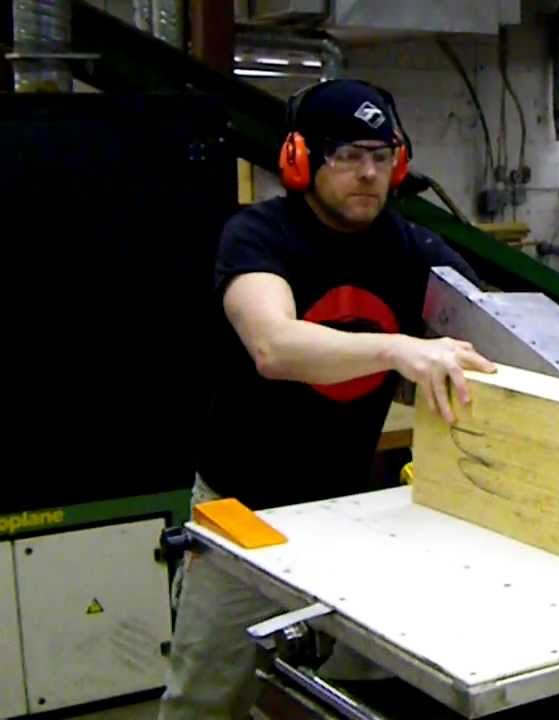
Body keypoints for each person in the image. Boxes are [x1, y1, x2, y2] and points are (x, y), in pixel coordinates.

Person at [159, 79, 495, 719]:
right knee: (205, 697)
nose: (368, 173)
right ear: (299, 158)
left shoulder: (408, 245)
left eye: (381, 154)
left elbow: (495, 331)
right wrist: (398, 349)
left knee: (347, 696)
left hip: (349, 512)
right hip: (245, 513)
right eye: (346, 155)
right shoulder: (257, 235)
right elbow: (274, 346)